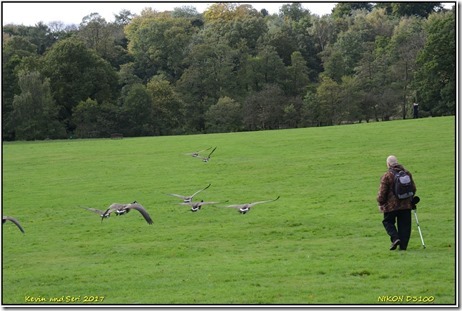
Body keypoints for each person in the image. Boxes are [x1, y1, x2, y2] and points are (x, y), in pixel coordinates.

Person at [377, 155, 417, 250]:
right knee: (405, 226)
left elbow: (382, 192)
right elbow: (413, 189)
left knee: (388, 222)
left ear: (388, 164)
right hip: (406, 205)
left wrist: (380, 203)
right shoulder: (407, 173)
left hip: (391, 206)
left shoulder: (387, 175)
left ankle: (395, 238)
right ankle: (403, 248)